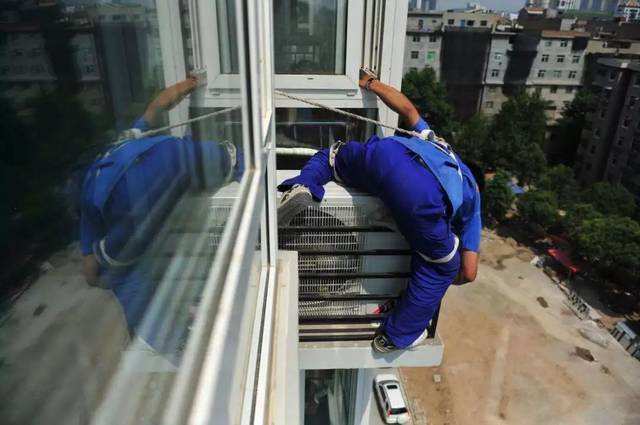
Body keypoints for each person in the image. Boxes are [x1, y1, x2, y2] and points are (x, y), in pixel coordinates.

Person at [277, 68, 482, 353]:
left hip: (386, 156)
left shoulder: (439, 144)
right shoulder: (472, 192)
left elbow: (407, 109)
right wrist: (435, 274)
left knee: (332, 157)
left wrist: (371, 83)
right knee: (441, 265)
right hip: (420, 197)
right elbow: (469, 272)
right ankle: (397, 335)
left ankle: (303, 186)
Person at [80, 77, 241, 356]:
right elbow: (159, 104)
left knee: (126, 278)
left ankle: (180, 346)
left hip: (139, 202)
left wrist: (107, 271)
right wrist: (189, 84)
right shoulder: (126, 142)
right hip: (171, 160)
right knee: (239, 160)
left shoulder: (90, 191)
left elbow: (91, 273)